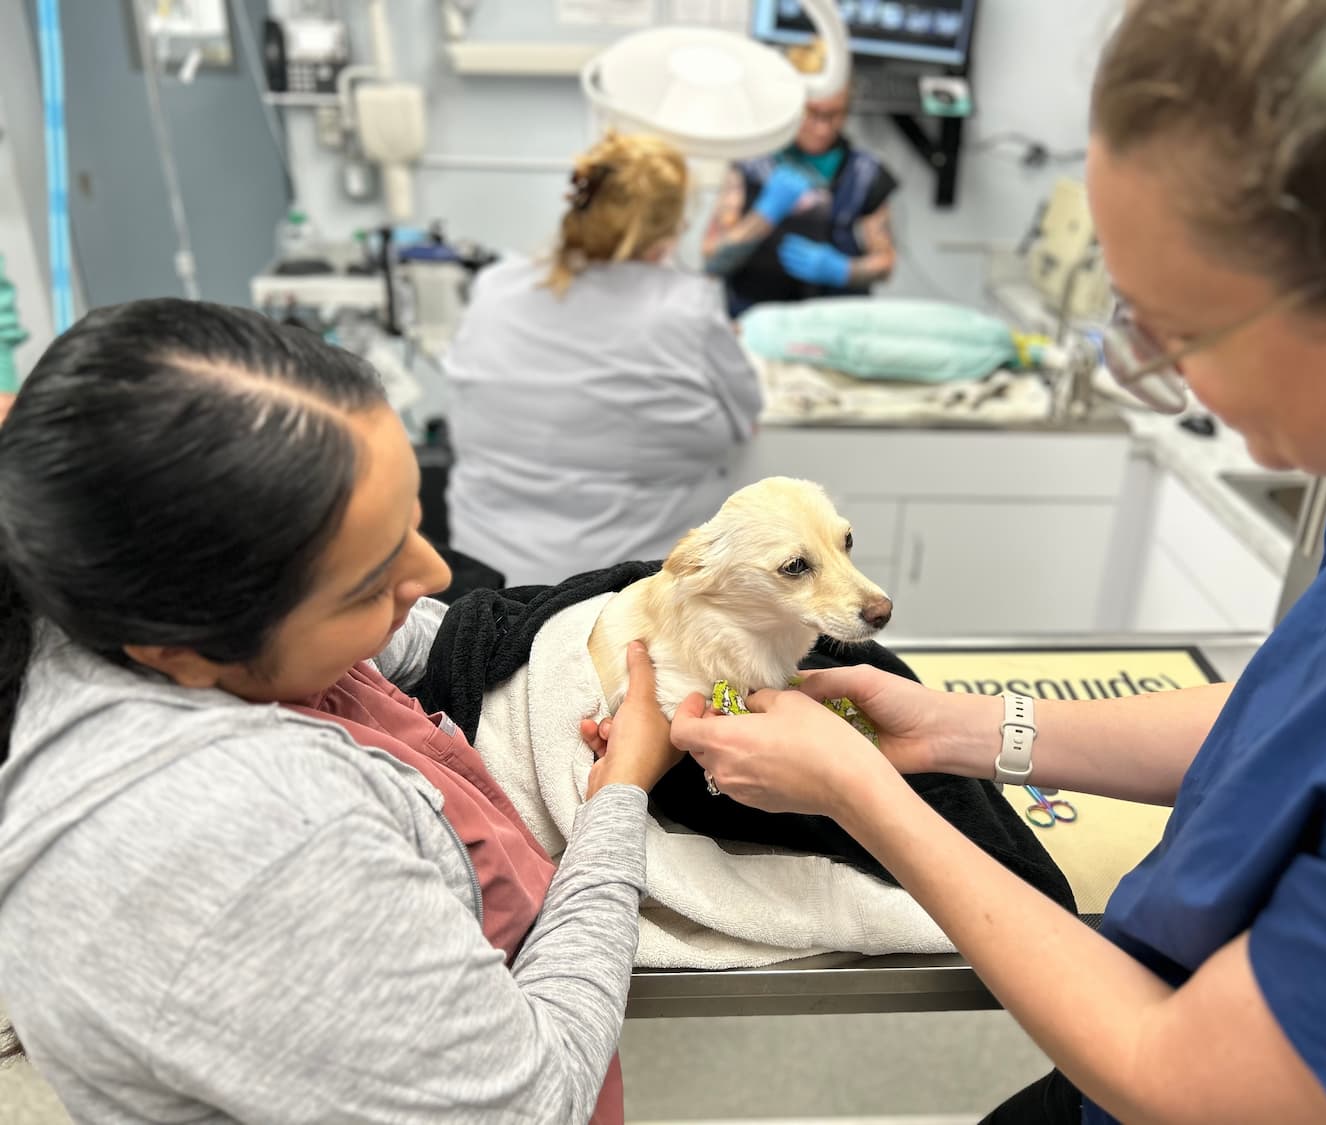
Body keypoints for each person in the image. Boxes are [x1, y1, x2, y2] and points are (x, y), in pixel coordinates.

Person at [662, 1, 1326, 1121]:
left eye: (1180, 331)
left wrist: (863, 797)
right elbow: (1296, 719)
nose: (1150, 369)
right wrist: (963, 730)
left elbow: (1179, 1082)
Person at [0, 299, 684, 1123]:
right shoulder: (241, 846)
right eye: (371, 584)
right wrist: (620, 800)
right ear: (180, 646)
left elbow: (422, 636)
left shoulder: (131, 570)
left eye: (413, 523)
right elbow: (534, 1102)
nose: (433, 571)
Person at [443, 132, 761, 588]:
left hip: (488, 583)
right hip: (625, 596)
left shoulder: (495, 286)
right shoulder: (685, 307)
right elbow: (745, 418)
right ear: (669, 229)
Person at [701, 41, 899, 317]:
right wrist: (762, 216)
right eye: (813, 113)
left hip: (834, 324)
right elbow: (711, 259)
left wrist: (845, 271)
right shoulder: (751, 164)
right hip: (755, 320)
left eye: (835, 114)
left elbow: (885, 263)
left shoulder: (865, 174)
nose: (823, 128)